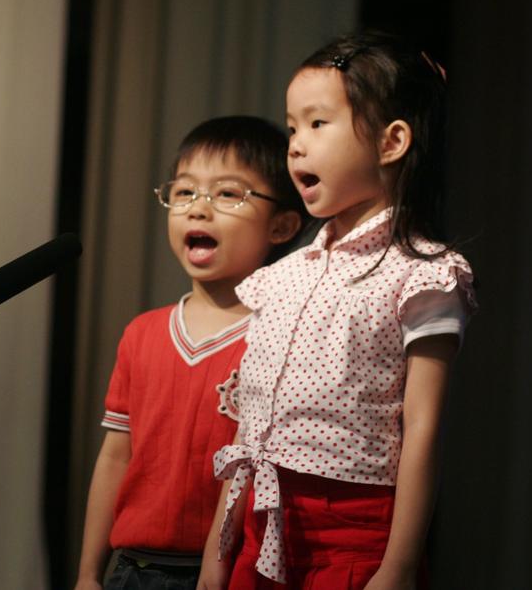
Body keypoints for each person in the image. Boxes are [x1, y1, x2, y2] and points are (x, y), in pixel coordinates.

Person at [198, 31, 478, 590]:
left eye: (317, 123)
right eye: (292, 127)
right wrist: (217, 552)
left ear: (391, 142)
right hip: (260, 526)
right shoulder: (282, 276)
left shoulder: (422, 274)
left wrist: (398, 567)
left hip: (354, 537)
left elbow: (423, 428)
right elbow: (249, 430)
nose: (296, 145)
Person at [74, 116, 307, 590]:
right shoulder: (141, 333)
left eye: (227, 193)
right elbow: (116, 457)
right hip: (133, 569)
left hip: (231, 571)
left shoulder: (277, 337)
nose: (198, 209)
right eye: (183, 192)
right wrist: (87, 574)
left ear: (281, 226)